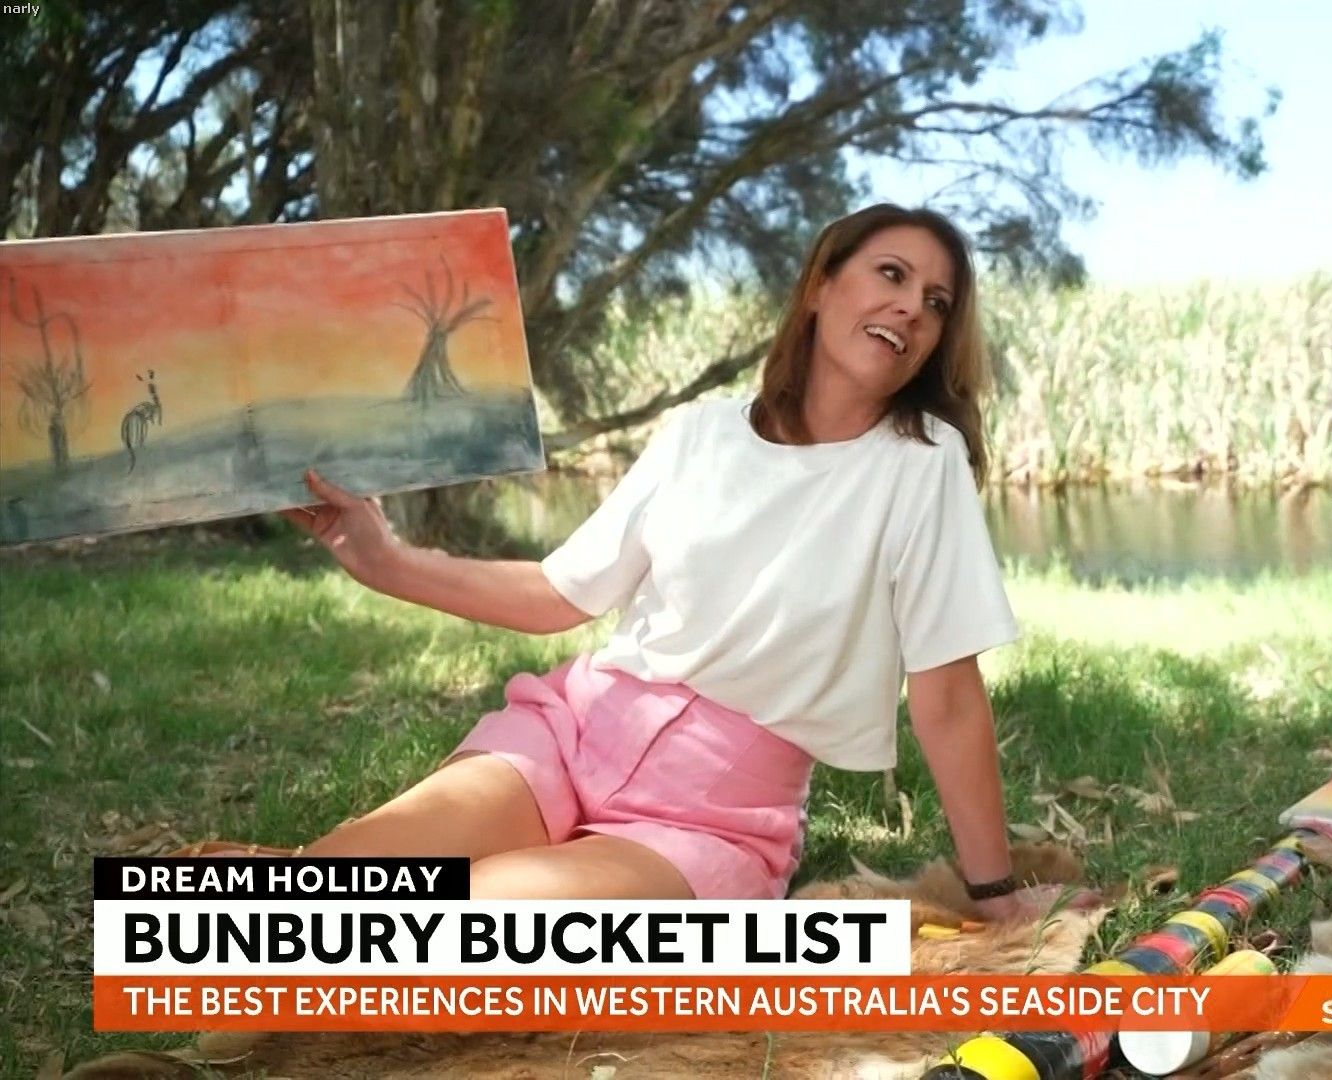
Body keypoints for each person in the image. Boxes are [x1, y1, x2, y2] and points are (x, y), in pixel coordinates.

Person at [273, 204, 1077, 920]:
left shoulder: (921, 463)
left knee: (445, 931)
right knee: (312, 894)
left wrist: (993, 892)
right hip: (568, 735)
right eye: (892, 275)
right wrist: (383, 559)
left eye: (936, 303)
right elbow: (558, 594)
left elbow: (947, 697)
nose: (911, 307)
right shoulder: (701, 432)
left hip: (710, 821)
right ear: (819, 287)